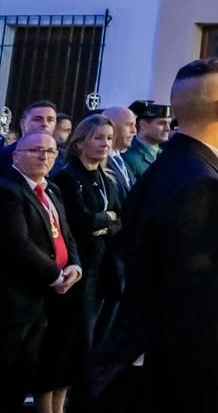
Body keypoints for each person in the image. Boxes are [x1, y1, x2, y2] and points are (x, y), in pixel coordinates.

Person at [92, 58, 218, 411]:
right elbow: (193, 312)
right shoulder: (199, 184)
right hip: (181, 383)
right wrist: (212, 398)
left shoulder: (177, 167)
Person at [2, 130, 82, 413]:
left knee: (23, 375)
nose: (44, 156)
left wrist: (74, 265)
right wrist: (56, 276)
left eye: (50, 151)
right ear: (16, 155)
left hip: (42, 301)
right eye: (35, 150)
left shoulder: (51, 189)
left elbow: (65, 234)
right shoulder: (7, 190)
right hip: (14, 301)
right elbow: (17, 245)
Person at [51, 114, 125, 352]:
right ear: (80, 142)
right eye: (99, 138)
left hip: (105, 261)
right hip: (81, 261)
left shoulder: (107, 178)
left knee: (97, 331)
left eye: (109, 138)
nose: (105, 143)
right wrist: (107, 218)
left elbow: (121, 217)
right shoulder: (67, 177)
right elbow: (81, 220)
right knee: (77, 331)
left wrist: (106, 223)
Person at [0, 101, 66, 176]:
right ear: (23, 124)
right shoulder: (3, 156)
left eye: (50, 120)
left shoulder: (62, 162)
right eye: (37, 119)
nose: (45, 124)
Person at [121, 100, 171, 183]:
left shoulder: (166, 154)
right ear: (143, 125)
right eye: (162, 123)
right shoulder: (130, 158)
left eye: (169, 123)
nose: (167, 128)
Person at [100, 106, 136, 197]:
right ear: (111, 126)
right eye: (129, 125)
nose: (134, 131)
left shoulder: (123, 161)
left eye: (134, 125)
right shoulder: (98, 161)